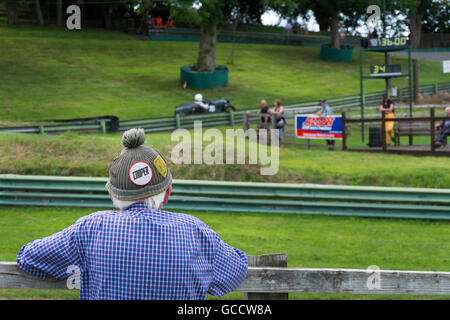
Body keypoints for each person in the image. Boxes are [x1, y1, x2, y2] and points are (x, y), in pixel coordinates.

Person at [16, 128, 248, 300]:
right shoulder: (194, 230)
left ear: (112, 195)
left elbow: (29, 257)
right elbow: (235, 270)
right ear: (167, 193)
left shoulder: (91, 228)